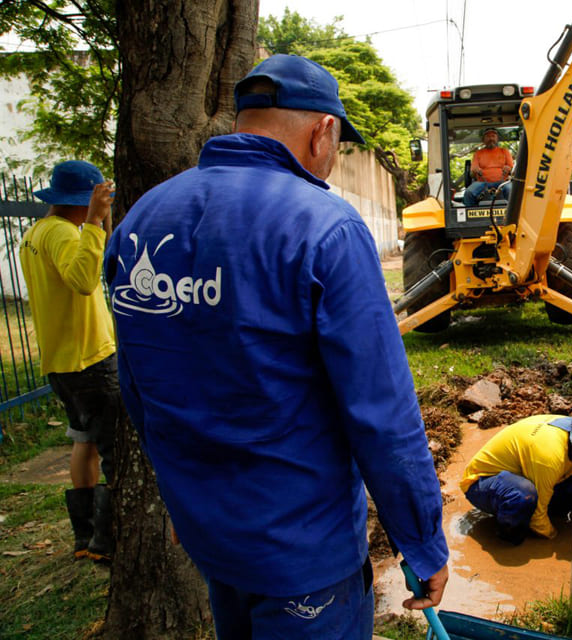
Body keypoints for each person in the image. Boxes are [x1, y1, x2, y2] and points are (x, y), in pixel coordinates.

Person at [103, 54, 449, 639]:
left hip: (213, 537)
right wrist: (420, 540)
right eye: (338, 144)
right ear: (323, 131)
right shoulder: (326, 227)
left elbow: (139, 384)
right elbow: (383, 416)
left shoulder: (142, 220)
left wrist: (185, 500)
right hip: (303, 553)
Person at [19, 160, 119, 562]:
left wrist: (97, 225)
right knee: (115, 448)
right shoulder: (63, 233)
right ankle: (106, 542)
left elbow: (96, 265)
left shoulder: (36, 233)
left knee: (85, 441)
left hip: (61, 361)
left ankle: (85, 537)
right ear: (79, 202)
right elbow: (82, 282)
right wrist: (94, 224)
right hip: (89, 359)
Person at [460, 409, 572, 545]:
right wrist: (554, 537)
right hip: (482, 483)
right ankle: (509, 538)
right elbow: (537, 517)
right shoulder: (549, 456)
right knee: (524, 495)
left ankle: (552, 514)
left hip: (526, 473)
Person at [463, 127, 514, 206]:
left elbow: (512, 169)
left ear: (497, 139)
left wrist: (508, 168)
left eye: (493, 136)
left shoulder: (504, 151)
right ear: (483, 140)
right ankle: (471, 214)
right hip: (482, 183)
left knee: (511, 190)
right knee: (469, 193)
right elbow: (472, 172)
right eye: (488, 136)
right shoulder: (478, 153)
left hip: (503, 183)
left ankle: (512, 214)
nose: (491, 138)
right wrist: (475, 170)